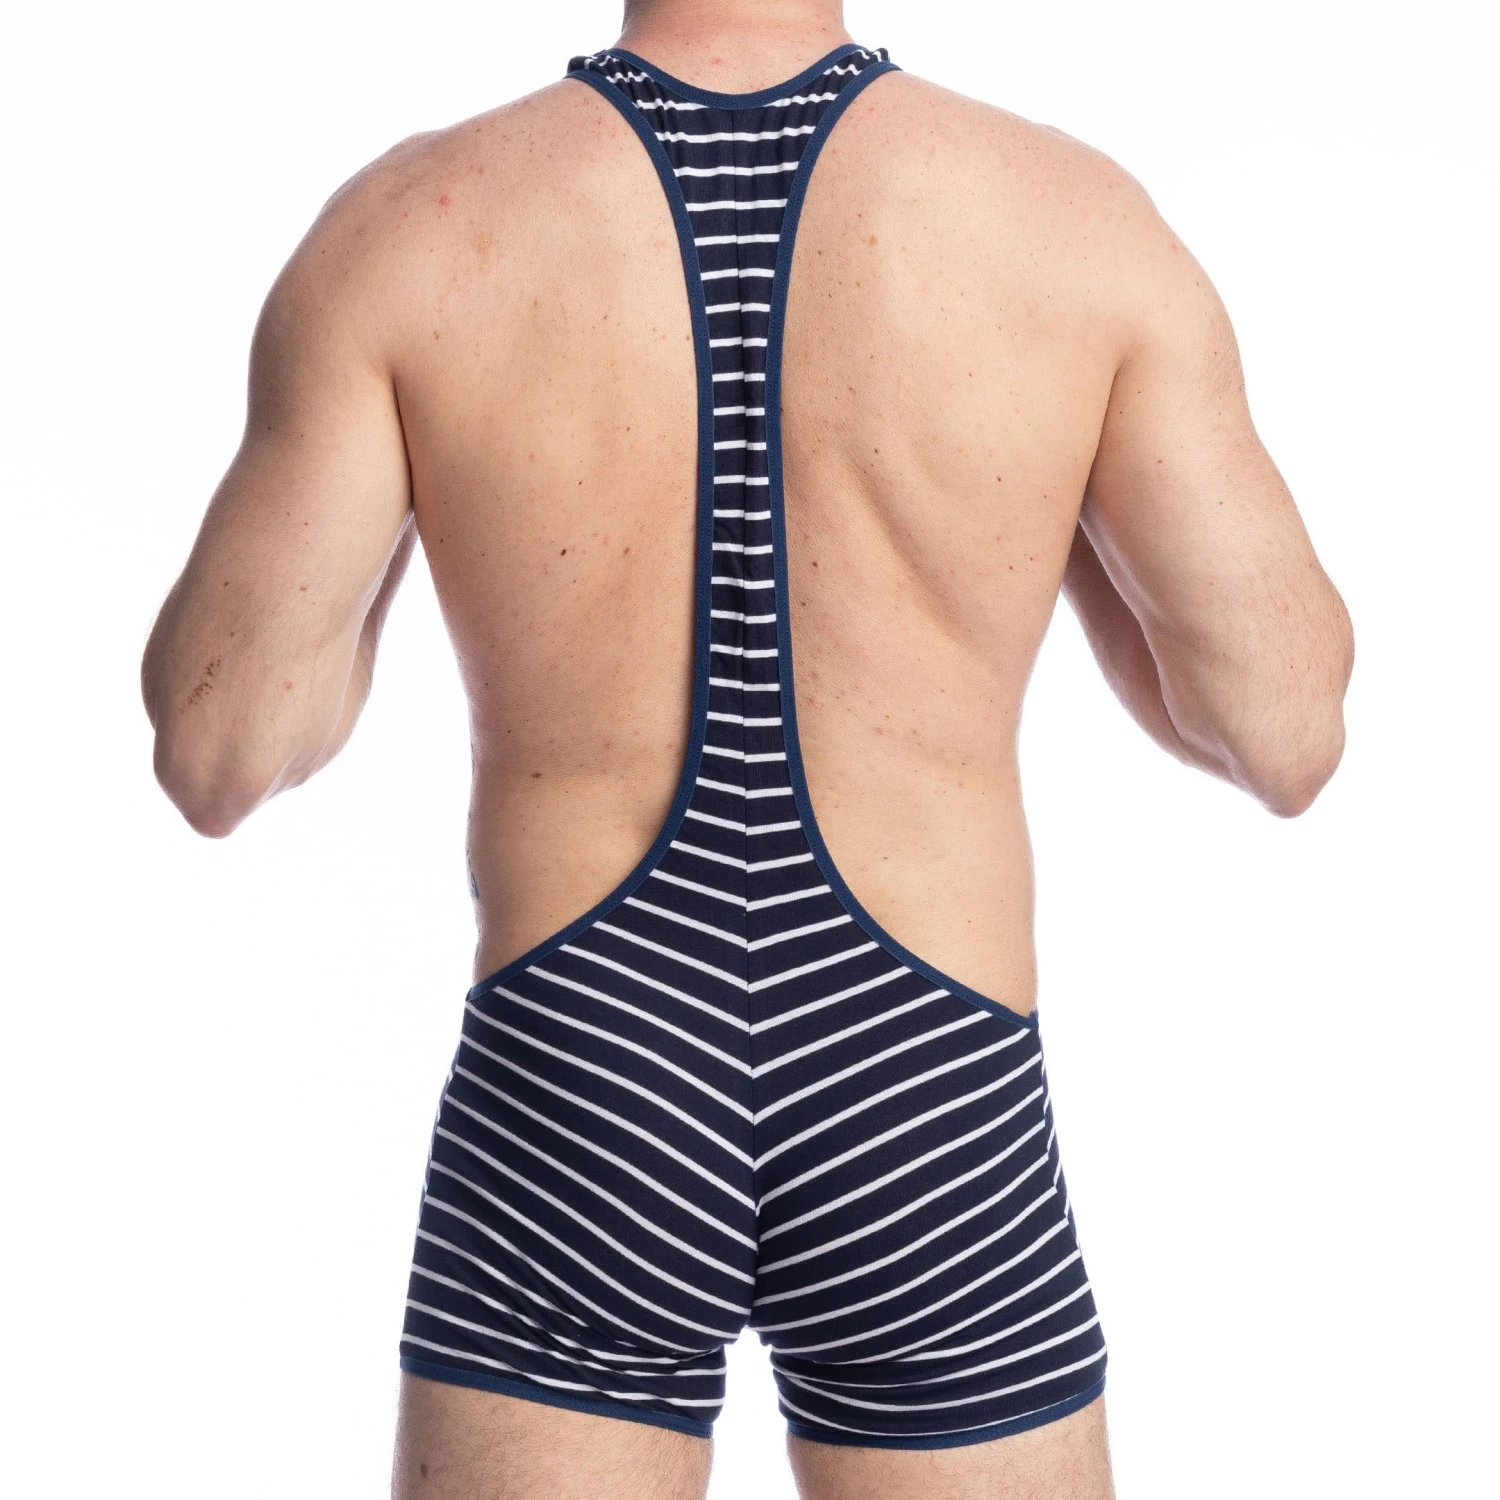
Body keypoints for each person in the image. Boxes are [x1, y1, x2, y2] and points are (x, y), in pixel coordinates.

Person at [140, 1, 1354, 1495]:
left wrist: (407, 542)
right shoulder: (1073, 227)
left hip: (588, 1060)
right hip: (924, 1075)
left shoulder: (411, 230)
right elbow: (1280, 733)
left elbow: (222, 748)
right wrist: (1058, 543)